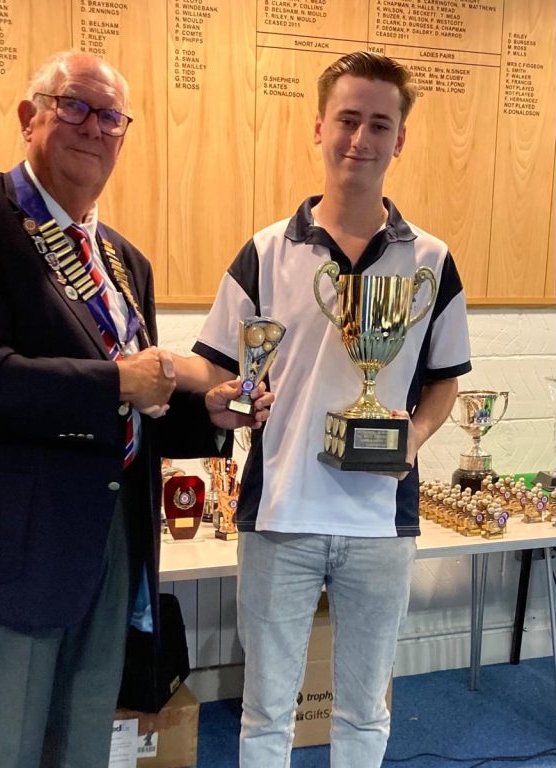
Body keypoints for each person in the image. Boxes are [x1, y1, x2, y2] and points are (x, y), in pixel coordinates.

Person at [0, 50, 271, 768]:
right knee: (0, 749)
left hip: (113, 537)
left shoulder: (125, 262)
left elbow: (141, 405)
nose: (93, 127)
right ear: (29, 117)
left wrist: (208, 414)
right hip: (15, 545)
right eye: (73, 105)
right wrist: (118, 383)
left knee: (81, 744)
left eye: (110, 117)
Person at [174, 52, 472, 767]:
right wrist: (210, 395)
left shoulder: (432, 260)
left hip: (381, 522)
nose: (360, 139)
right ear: (318, 127)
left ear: (400, 139)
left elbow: (444, 382)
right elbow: (217, 366)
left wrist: (413, 437)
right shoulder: (265, 252)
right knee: (266, 714)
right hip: (281, 515)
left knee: (365, 712)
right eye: (347, 119)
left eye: (380, 124)